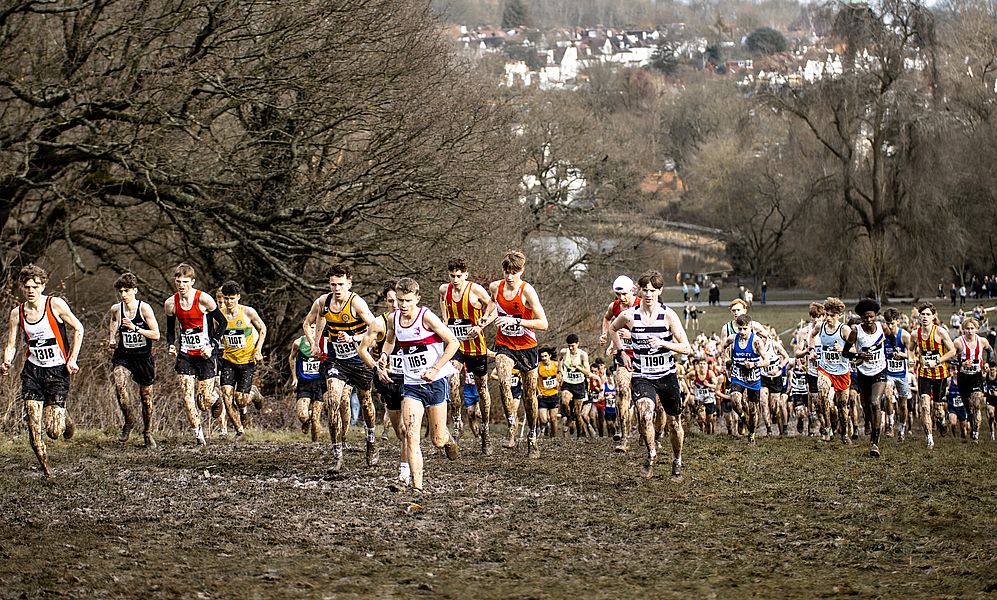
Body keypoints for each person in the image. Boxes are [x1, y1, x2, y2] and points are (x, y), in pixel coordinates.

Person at [359, 277, 459, 494]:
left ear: (417, 299)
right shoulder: (394, 319)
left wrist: (435, 368)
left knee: (437, 440)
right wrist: (384, 356)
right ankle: (417, 486)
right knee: (411, 433)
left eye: (407, 301)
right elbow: (390, 340)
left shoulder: (427, 317)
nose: (402, 305)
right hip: (411, 384)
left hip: (435, 382)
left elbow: (453, 343)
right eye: (400, 300)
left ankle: (448, 439)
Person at [1, 264, 85, 477]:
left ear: (43, 285)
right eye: (27, 287)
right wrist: (6, 361)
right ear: (22, 287)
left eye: (35, 286)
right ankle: (47, 470)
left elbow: (78, 328)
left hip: (57, 371)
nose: (31, 291)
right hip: (33, 372)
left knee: (54, 432)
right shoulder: (16, 313)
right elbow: (11, 343)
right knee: (32, 422)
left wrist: (72, 359)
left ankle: (64, 417)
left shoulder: (54, 304)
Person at [609, 270, 693, 479]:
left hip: (666, 376)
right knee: (645, 414)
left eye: (653, 290)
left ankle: (677, 460)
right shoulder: (629, 315)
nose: (648, 294)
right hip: (642, 375)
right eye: (645, 290)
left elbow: (686, 348)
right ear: (640, 290)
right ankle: (651, 454)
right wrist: (622, 352)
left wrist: (664, 343)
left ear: (660, 291)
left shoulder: (668, 315)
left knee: (675, 423)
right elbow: (612, 328)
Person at [303, 264, 382, 473]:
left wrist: (354, 338)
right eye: (333, 284)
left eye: (340, 284)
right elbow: (307, 323)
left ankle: (371, 440)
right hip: (337, 361)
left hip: (359, 359)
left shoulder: (356, 302)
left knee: (366, 402)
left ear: (349, 283)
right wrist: (314, 343)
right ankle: (337, 455)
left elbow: (377, 329)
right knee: (332, 401)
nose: (336, 288)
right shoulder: (323, 302)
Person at [487, 251, 549, 458]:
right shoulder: (496, 287)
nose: (510, 276)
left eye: (514, 272)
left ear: (522, 271)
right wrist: (484, 321)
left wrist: (517, 321)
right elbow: (492, 305)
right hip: (505, 344)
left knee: (530, 395)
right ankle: (512, 426)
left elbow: (543, 323)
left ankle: (532, 436)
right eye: (507, 272)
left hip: (527, 347)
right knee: (504, 381)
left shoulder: (527, 291)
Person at [164, 263, 227, 446]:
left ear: (192, 281)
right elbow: (170, 330)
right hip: (185, 355)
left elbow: (222, 323)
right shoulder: (171, 303)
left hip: (205, 354)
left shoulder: (204, 299)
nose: (181, 285)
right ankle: (199, 436)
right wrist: (170, 345)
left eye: (185, 282)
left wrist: (212, 345)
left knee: (204, 401)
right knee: (186, 397)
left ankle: (215, 398)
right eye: (178, 281)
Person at [439, 257, 495, 455]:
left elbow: (494, 307)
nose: (455, 280)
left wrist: (481, 324)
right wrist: (445, 321)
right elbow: (442, 303)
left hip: (476, 347)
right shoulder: (444, 290)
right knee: (452, 379)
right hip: (457, 346)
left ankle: (486, 432)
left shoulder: (476, 290)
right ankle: (457, 423)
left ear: (466, 275)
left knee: (481, 388)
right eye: (452, 276)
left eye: (459, 276)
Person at [106, 272, 160, 448]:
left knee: (146, 398)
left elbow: (156, 335)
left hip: (143, 357)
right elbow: (113, 322)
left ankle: (148, 432)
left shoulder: (144, 309)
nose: (123, 295)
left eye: (127, 291)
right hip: (125, 355)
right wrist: (112, 338)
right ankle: (129, 419)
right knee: (119, 382)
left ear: (135, 290)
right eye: (120, 291)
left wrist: (136, 328)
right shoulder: (116, 309)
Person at [215, 281, 267, 438]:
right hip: (228, 360)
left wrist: (258, 350)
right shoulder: (218, 315)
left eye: (231, 298)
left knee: (241, 400)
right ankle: (239, 431)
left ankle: (253, 393)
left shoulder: (248, 312)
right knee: (226, 395)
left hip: (246, 361)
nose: (228, 302)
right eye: (226, 298)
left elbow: (263, 328)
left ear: (238, 297)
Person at [842, 298, 888, 457]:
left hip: (880, 371)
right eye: (865, 317)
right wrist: (859, 355)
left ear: (876, 316)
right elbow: (845, 353)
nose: (869, 320)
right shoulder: (856, 332)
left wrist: (893, 351)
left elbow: (892, 340)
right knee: (867, 408)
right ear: (861, 317)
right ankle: (870, 423)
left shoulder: (883, 328)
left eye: (871, 317)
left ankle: (875, 443)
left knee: (875, 403)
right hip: (863, 373)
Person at [600, 275, 640, 452]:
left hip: (643, 356)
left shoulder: (642, 305)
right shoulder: (614, 306)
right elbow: (607, 319)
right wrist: (605, 335)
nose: (621, 298)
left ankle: (648, 432)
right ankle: (624, 437)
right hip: (622, 356)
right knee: (623, 391)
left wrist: (633, 335)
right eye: (618, 294)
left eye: (624, 294)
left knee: (643, 399)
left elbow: (655, 329)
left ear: (632, 290)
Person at [720, 314, 770, 444]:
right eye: (740, 329)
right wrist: (723, 361)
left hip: (753, 378)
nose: (742, 332)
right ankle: (743, 417)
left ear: (751, 327)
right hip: (738, 376)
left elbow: (767, 361)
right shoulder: (732, 338)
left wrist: (754, 364)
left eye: (745, 329)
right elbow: (722, 346)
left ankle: (752, 433)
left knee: (753, 410)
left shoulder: (756, 341)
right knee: (735, 399)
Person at [913, 302, 956, 449]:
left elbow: (952, 351)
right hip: (924, 374)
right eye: (922, 314)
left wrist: (937, 360)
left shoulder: (940, 332)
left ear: (933, 316)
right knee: (925, 406)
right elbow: (911, 350)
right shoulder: (915, 334)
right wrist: (912, 359)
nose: (925, 317)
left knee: (938, 409)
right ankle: (929, 439)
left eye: (928, 314)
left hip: (940, 375)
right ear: (919, 316)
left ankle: (942, 420)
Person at [810, 298, 852, 444]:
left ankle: (845, 433)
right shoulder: (820, 326)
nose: (828, 318)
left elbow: (854, 349)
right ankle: (827, 429)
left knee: (842, 406)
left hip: (841, 371)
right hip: (825, 368)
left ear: (839, 315)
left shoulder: (844, 330)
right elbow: (811, 335)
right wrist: (812, 350)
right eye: (827, 314)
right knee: (822, 393)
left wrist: (843, 349)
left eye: (832, 315)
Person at [951, 317, 992, 442]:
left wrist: (988, 363)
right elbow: (948, 358)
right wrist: (961, 363)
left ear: (976, 329)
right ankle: (970, 418)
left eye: (972, 328)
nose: (969, 331)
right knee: (968, 406)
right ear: (963, 329)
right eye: (967, 329)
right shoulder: (958, 342)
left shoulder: (982, 341)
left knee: (976, 404)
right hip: (963, 378)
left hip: (977, 376)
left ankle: (976, 433)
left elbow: (990, 351)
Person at [288, 323, 326, 441]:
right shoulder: (298, 343)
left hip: (319, 383)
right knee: (303, 415)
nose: (313, 331)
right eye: (311, 328)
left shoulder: (325, 342)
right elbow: (292, 357)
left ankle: (315, 444)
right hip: (304, 383)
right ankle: (306, 421)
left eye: (316, 328)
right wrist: (294, 377)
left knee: (316, 418)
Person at [882, 308, 913, 442]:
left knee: (903, 405)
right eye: (887, 323)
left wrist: (903, 355)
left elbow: (913, 358)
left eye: (892, 323)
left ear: (898, 322)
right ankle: (890, 424)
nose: (890, 326)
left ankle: (901, 429)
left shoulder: (905, 336)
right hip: (888, 373)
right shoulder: (882, 336)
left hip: (902, 374)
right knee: (888, 396)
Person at [559, 334, 592, 439]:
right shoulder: (564, 352)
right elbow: (559, 360)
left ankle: (580, 435)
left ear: (578, 344)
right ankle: (569, 417)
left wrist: (577, 366)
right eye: (569, 345)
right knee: (564, 401)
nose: (571, 348)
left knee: (578, 413)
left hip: (579, 384)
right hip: (568, 383)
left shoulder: (583, 355)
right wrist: (559, 371)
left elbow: (588, 372)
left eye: (573, 345)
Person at [536, 347, 560, 437]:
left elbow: (561, 375)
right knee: (543, 419)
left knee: (553, 418)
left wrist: (559, 381)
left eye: (545, 356)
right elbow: (535, 380)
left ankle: (553, 437)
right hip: (543, 396)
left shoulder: (556, 365)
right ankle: (546, 427)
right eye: (542, 356)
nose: (544, 358)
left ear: (549, 355)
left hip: (553, 395)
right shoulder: (538, 366)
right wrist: (538, 391)